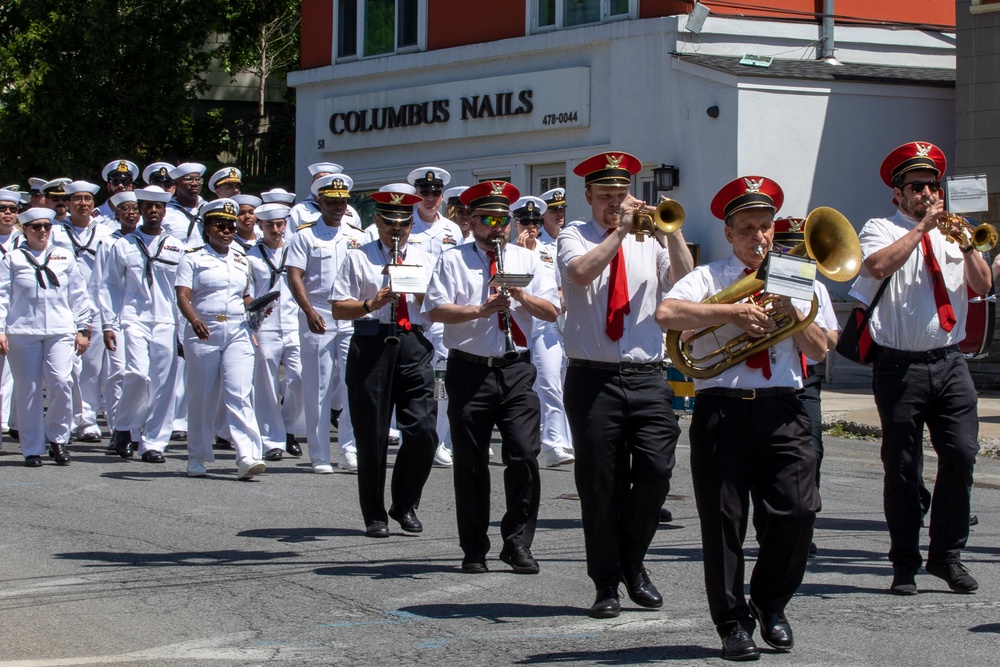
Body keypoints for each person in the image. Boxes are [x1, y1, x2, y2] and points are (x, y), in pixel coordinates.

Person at [657, 175, 827, 660]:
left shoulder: (798, 273)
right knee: (724, 522)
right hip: (723, 412)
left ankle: (771, 604)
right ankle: (732, 624)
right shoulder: (709, 278)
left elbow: (821, 349)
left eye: (766, 227)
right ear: (729, 233)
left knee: (797, 512)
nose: (759, 237)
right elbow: (666, 316)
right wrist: (729, 312)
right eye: (748, 228)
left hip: (784, 409)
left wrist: (797, 311)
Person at [849, 142, 990, 596]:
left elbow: (983, 285)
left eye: (933, 186)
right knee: (903, 466)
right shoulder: (880, 227)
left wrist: (968, 247)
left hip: (950, 363)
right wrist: (923, 229)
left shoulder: (958, 231)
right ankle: (904, 561)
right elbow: (875, 265)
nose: (927, 193)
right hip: (899, 368)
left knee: (963, 456)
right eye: (917, 187)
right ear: (899, 194)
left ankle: (947, 556)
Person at [556, 152, 692, 620]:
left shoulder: (650, 238)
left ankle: (633, 562)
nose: (616, 203)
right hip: (593, 378)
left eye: (622, 195)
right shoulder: (575, 235)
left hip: (647, 375)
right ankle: (606, 582)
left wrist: (668, 233)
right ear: (590, 196)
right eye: (607, 196)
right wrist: (620, 230)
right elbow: (580, 273)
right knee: (600, 485)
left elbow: (684, 279)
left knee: (656, 471)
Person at [423, 180, 560, 574]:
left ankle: (517, 542)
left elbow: (551, 310)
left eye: (503, 219)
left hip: (516, 368)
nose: (497, 226)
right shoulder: (453, 259)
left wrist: (519, 297)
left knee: (523, 455)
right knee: (469, 463)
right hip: (469, 368)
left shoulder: (527, 259)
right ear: (471, 220)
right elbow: (435, 310)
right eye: (488, 219)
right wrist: (480, 311)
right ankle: (473, 547)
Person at [331, 189, 438, 537]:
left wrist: (420, 291)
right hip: (371, 341)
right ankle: (374, 514)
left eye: (404, 224)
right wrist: (371, 303)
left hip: (413, 341)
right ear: (377, 222)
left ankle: (405, 503)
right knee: (372, 435)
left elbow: (435, 306)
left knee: (423, 430)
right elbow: (337, 307)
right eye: (390, 223)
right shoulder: (358, 257)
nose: (397, 230)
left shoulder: (424, 256)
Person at [175, 199, 266, 480]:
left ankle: (247, 455)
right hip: (204, 329)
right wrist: (194, 320)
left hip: (238, 330)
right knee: (202, 395)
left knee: (239, 393)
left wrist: (259, 308)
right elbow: (182, 295)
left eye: (230, 226)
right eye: (220, 226)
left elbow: (245, 296)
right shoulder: (192, 257)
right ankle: (196, 455)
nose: (227, 231)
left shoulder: (242, 259)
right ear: (208, 229)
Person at [286, 174, 367, 473]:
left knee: (352, 384)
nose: (338, 207)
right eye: (332, 202)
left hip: (350, 313)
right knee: (317, 386)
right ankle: (319, 453)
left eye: (343, 202)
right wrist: (307, 311)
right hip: (317, 312)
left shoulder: (358, 235)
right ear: (319, 201)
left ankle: (348, 448)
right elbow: (294, 275)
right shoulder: (305, 235)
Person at [0, 208, 92, 466]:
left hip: (60, 330)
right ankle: (31, 448)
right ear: (25, 230)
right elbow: (2, 295)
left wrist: (83, 327)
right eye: (36, 227)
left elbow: (78, 293)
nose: (42, 231)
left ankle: (58, 438)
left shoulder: (63, 256)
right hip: (23, 331)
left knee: (62, 383)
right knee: (28, 389)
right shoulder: (13, 258)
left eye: (46, 226)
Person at [101, 186, 184, 463]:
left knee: (163, 384)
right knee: (136, 374)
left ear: (164, 211)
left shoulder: (176, 245)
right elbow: (110, 286)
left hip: (166, 320)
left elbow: (182, 291)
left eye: (158, 207)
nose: (152, 212)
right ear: (139, 209)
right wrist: (108, 323)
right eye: (147, 206)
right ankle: (124, 427)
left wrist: (183, 329)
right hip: (132, 318)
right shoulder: (123, 244)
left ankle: (153, 443)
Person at [512, 196, 574, 467]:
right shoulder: (508, 252)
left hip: (546, 323)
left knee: (551, 382)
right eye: (525, 221)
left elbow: (563, 286)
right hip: (517, 324)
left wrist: (560, 300)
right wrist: (520, 252)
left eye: (536, 221)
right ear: (515, 223)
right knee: (524, 389)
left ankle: (556, 443)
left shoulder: (548, 250)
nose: (531, 226)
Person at [52, 181, 113, 443]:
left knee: (91, 366)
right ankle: (63, 420)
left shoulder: (107, 231)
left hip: (97, 305)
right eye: (77, 198)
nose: (83, 203)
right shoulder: (55, 231)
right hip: (63, 306)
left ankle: (87, 420)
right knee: (65, 369)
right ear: (68, 202)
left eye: (88, 198)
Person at [246, 203, 305, 460]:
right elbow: (246, 293)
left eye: (280, 224)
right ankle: (271, 439)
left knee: (299, 378)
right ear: (260, 225)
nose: (276, 229)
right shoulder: (250, 255)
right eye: (269, 224)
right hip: (265, 325)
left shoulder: (296, 251)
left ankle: (290, 428)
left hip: (294, 322)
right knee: (266, 383)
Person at [90, 191, 142, 455]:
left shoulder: (148, 241)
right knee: (118, 373)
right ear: (117, 214)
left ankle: (136, 429)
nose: (131, 212)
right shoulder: (108, 243)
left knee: (142, 375)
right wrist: (104, 321)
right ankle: (117, 429)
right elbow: (100, 283)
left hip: (141, 317)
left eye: (135, 208)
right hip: (115, 317)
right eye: (125, 208)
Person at [94, 160, 138, 226]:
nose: (120, 185)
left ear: (131, 187)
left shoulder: (140, 216)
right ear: (108, 186)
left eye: (125, 182)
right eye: (116, 182)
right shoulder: (95, 217)